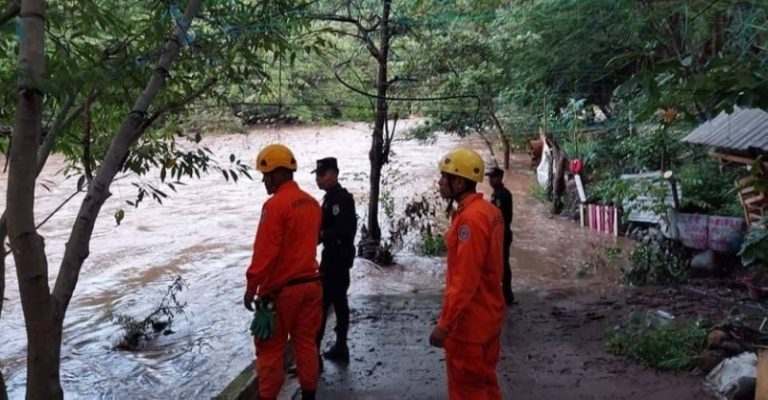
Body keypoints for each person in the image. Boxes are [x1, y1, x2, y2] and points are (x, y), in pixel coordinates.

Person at [244, 144, 323, 400]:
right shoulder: (312, 204)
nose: (264, 181)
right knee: (306, 345)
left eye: (266, 175)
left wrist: (251, 286)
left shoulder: (275, 205)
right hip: (311, 286)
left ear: (279, 174)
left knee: (270, 352)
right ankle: (309, 396)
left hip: (281, 293)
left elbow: (265, 252)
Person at [429, 148, 506, 400]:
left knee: (467, 391)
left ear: (459, 181)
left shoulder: (470, 220)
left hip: (469, 326)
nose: (440, 183)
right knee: (486, 384)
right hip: (489, 316)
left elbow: (465, 280)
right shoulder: (489, 212)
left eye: (444, 178)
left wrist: (445, 324)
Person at [313, 157, 357, 363]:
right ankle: (340, 347)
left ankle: (314, 356)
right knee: (339, 302)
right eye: (317, 176)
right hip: (336, 256)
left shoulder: (340, 199)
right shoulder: (332, 198)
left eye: (321, 175)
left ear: (333, 174)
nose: (318, 179)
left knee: (322, 305)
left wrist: (321, 235)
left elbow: (343, 230)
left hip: (336, 259)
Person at [486, 167, 516, 305]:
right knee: (500, 263)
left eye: (492, 177)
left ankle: (507, 295)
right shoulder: (498, 193)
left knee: (503, 263)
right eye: (489, 177)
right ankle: (504, 294)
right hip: (501, 233)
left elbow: (500, 217)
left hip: (502, 234)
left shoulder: (502, 195)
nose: (490, 180)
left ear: (499, 178)